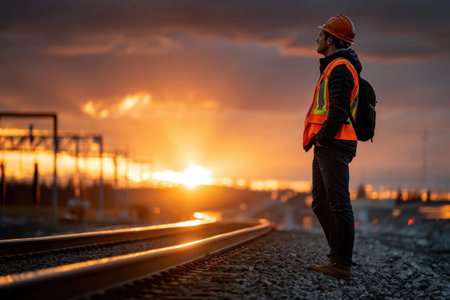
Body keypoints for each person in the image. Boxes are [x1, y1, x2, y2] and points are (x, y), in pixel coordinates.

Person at [302, 15, 361, 281]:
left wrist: (323, 137)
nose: (317, 38)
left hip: (334, 144)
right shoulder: (335, 67)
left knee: (337, 203)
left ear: (330, 40)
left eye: (321, 35)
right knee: (321, 203)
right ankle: (339, 258)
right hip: (329, 144)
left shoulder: (339, 69)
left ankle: (342, 264)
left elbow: (337, 111)